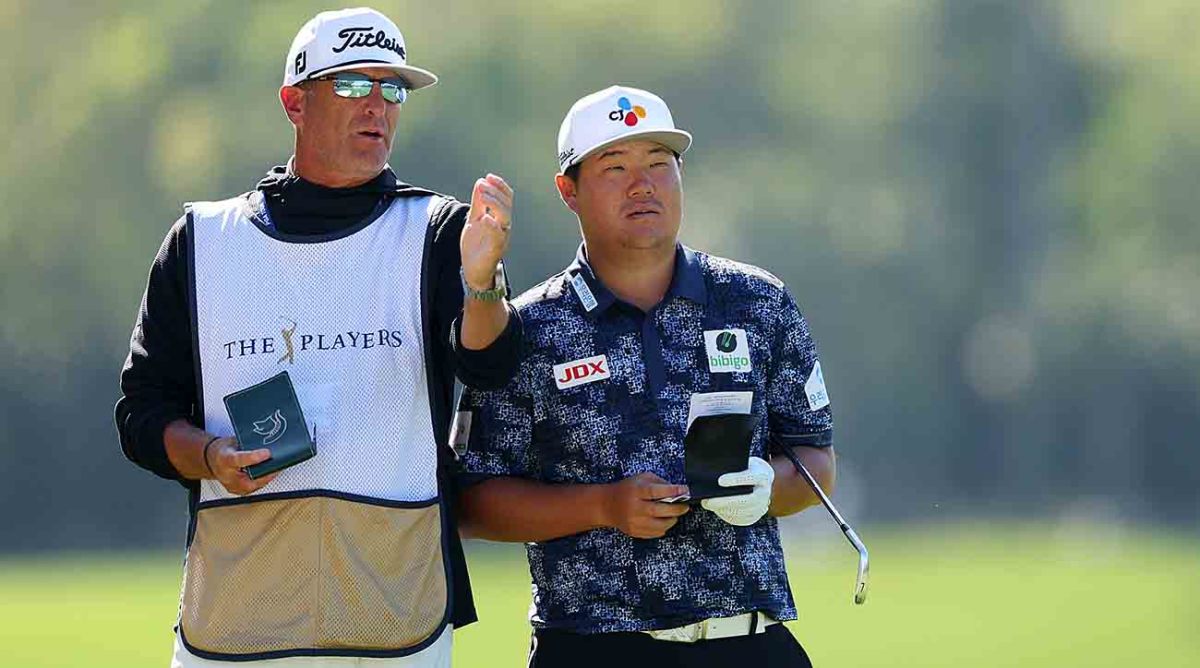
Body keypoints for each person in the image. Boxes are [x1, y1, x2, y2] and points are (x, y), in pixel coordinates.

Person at [114, 8, 520, 667]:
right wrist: (212, 456)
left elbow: (491, 365)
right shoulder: (201, 241)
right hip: (240, 621)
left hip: (395, 618)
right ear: (294, 104)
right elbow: (140, 416)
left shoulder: (442, 231)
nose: (377, 106)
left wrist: (482, 284)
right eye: (353, 85)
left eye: (392, 89)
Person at [453, 86, 836, 667]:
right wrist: (603, 507)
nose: (642, 185)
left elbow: (817, 462)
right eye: (615, 167)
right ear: (569, 191)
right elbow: (473, 502)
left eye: (659, 164)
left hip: (749, 642)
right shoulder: (527, 329)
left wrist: (767, 488)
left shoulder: (757, 302)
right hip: (593, 648)